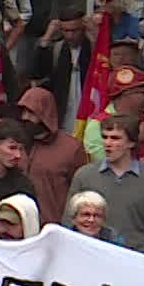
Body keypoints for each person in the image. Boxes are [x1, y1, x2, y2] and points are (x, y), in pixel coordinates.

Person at [65, 116, 144, 255]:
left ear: (131, 142)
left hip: (137, 259)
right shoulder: (85, 175)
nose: (107, 143)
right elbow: (69, 222)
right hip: (92, 256)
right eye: (105, 137)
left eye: (115, 138)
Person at [16, 87, 89, 225]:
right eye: (23, 112)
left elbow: (82, 194)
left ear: (45, 113)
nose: (25, 117)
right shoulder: (16, 144)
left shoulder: (71, 148)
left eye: (31, 112)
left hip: (56, 228)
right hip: (19, 227)